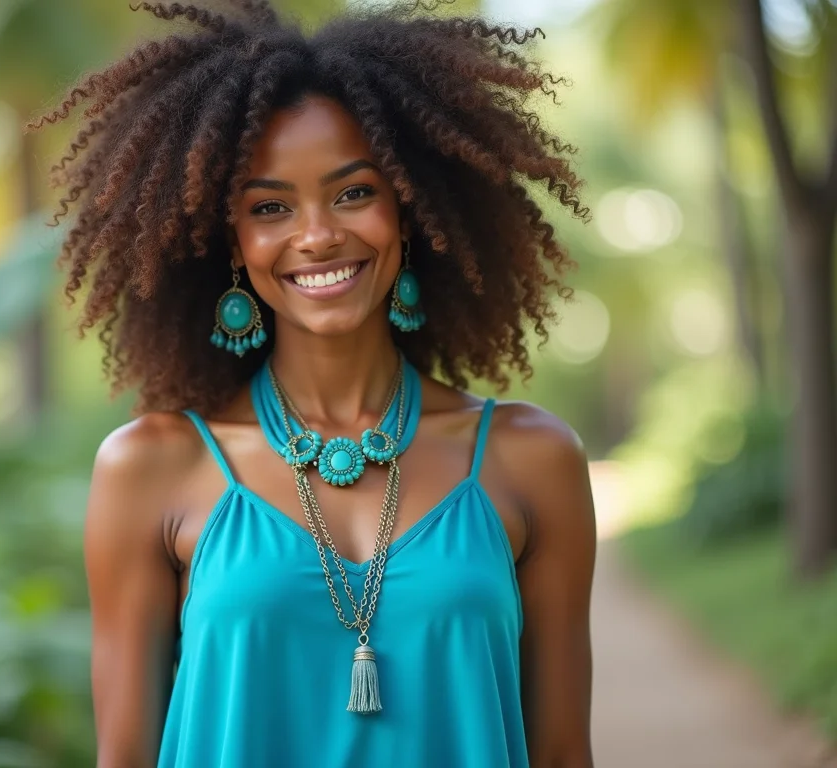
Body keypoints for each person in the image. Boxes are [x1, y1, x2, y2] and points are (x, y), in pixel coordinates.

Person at [33, 1, 596, 766]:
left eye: (354, 192)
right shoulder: (150, 467)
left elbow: (563, 754)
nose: (318, 234)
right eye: (270, 207)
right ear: (228, 238)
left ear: (411, 206)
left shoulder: (531, 457)